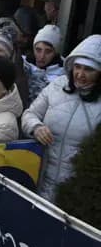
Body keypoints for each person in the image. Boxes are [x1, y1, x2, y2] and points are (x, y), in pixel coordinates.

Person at [22, 34, 101, 202]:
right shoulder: (57, 86)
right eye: (77, 67)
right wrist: (36, 127)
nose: (80, 74)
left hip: (76, 191)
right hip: (39, 179)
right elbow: (29, 114)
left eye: (88, 69)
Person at [25, 24, 64, 103]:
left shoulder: (63, 76)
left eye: (48, 51)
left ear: (55, 53)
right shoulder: (23, 64)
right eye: (38, 50)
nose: (42, 56)